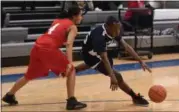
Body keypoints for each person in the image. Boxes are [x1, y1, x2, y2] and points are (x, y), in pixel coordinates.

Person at [2, 6, 87, 110]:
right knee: (72, 70)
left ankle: (9, 95)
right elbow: (69, 44)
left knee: (29, 75)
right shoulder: (73, 27)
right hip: (48, 49)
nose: (81, 17)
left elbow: (56, 36)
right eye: (81, 15)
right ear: (74, 16)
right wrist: (69, 63)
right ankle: (71, 101)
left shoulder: (57, 21)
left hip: (37, 46)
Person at [75, 16, 152, 106]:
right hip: (90, 56)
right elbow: (104, 58)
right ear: (108, 26)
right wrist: (112, 76)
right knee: (117, 76)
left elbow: (126, 46)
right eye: (116, 28)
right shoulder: (99, 37)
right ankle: (135, 97)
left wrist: (140, 61)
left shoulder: (113, 30)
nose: (118, 31)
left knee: (96, 65)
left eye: (119, 28)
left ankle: (72, 70)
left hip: (96, 53)